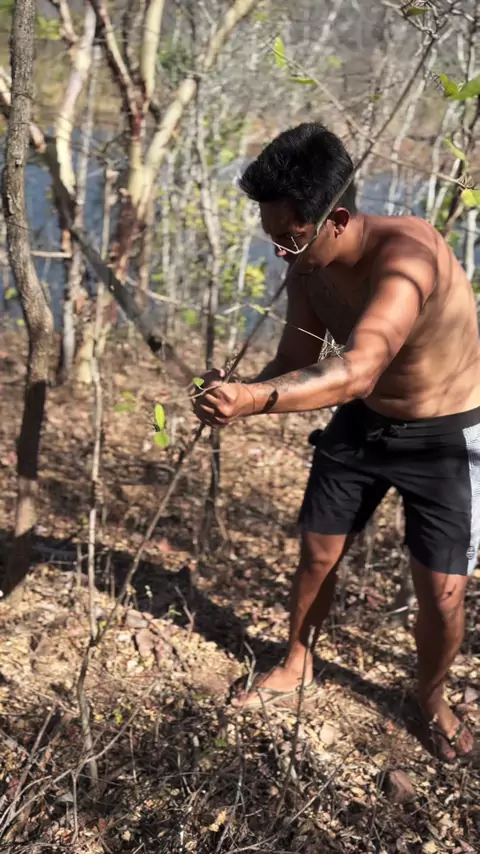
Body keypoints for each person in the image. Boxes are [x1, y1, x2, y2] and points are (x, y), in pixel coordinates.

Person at [193, 122, 480, 762]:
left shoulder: (409, 256)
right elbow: (295, 361)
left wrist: (254, 401)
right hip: (361, 421)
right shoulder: (308, 266)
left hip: (444, 436)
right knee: (317, 553)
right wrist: (236, 392)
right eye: (272, 238)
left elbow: (359, 368)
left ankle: (430, 696)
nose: (281, 252)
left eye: (291, 237)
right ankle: (297, 661)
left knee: (442, 593)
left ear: (338, 218)